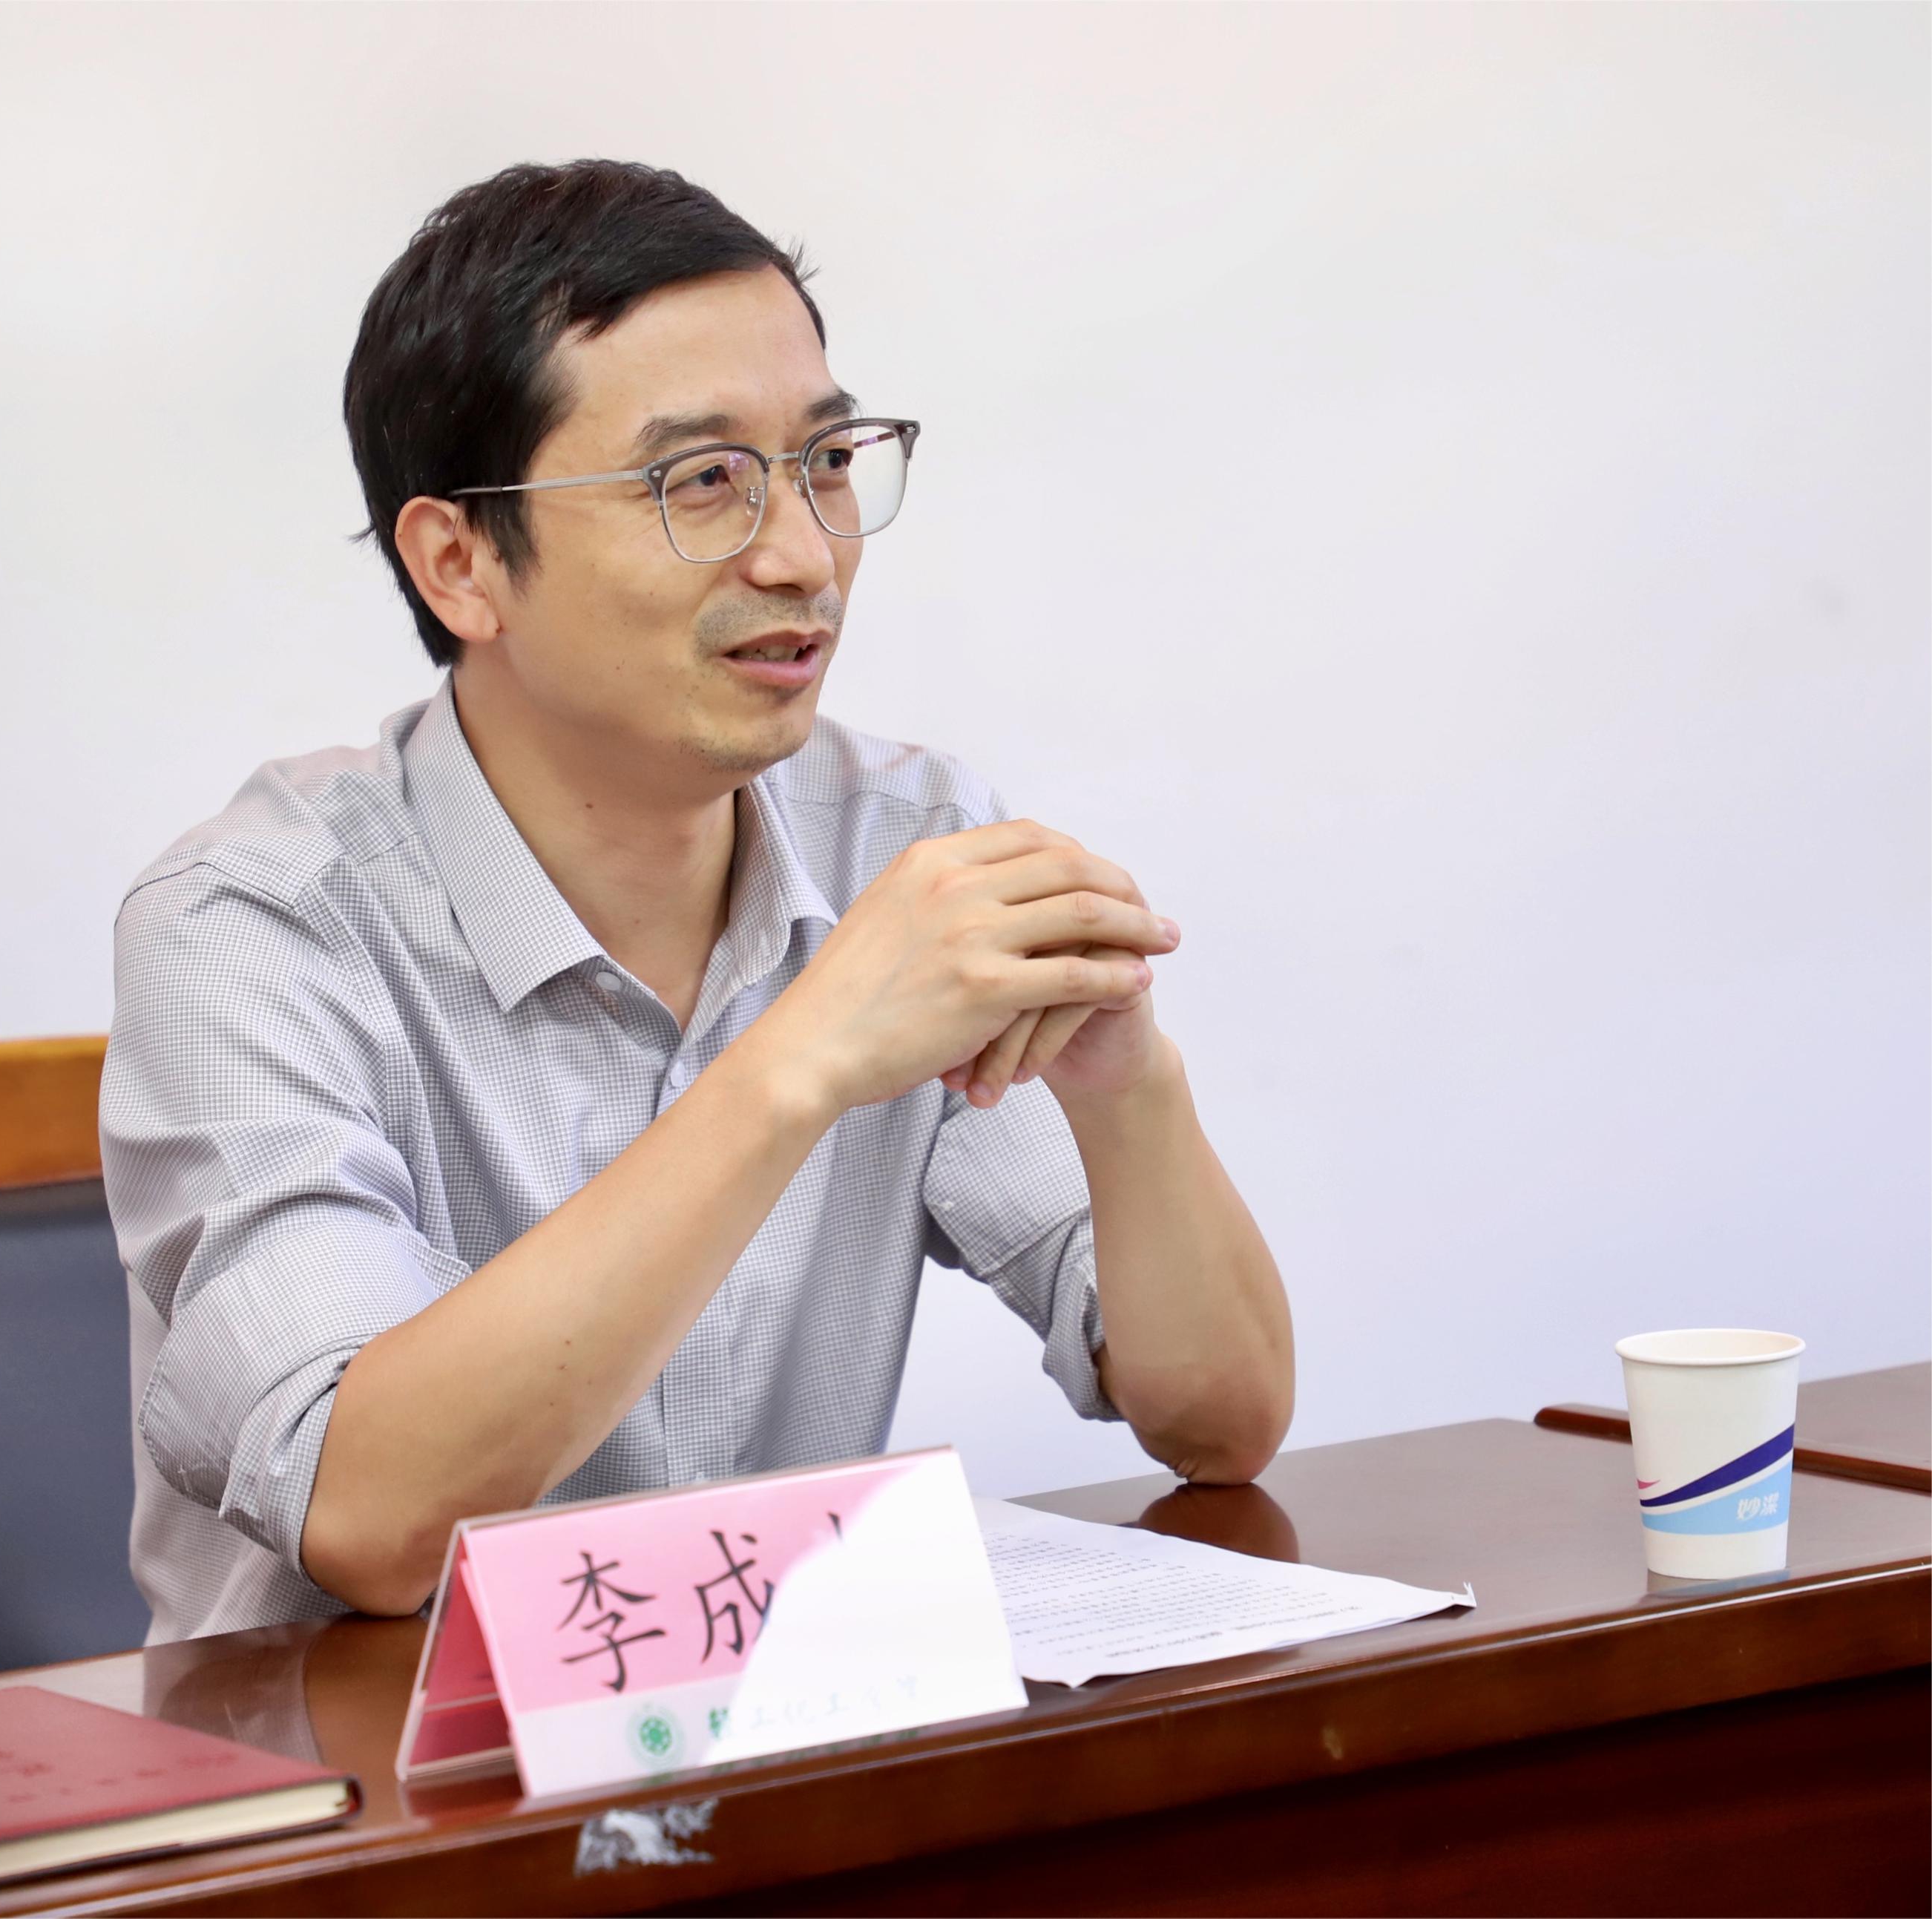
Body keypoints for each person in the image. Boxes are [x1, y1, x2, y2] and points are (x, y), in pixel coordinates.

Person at [101, 160, 1295, 1644]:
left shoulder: (904, 845)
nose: (803, 555)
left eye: (826, 460)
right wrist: (800, 1063)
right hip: (350, 1771)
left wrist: (1129, 1087)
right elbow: (371, 1513)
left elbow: (1222, 1425)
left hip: (766, 1754)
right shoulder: (252, 926)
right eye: (702, 481)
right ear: (461, 563)